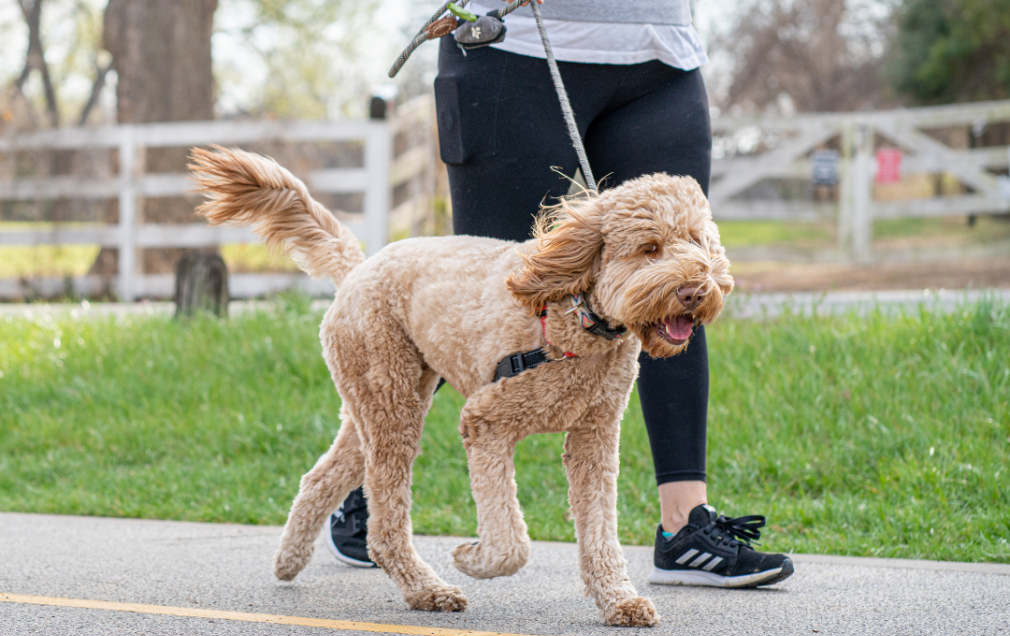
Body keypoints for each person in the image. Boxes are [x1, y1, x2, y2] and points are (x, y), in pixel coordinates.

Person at [326, 0, 793, 588]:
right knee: (484, 302)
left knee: (676, 287)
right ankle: (371, 491)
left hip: (660, 51)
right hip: (510, 43)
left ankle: (683, 526)